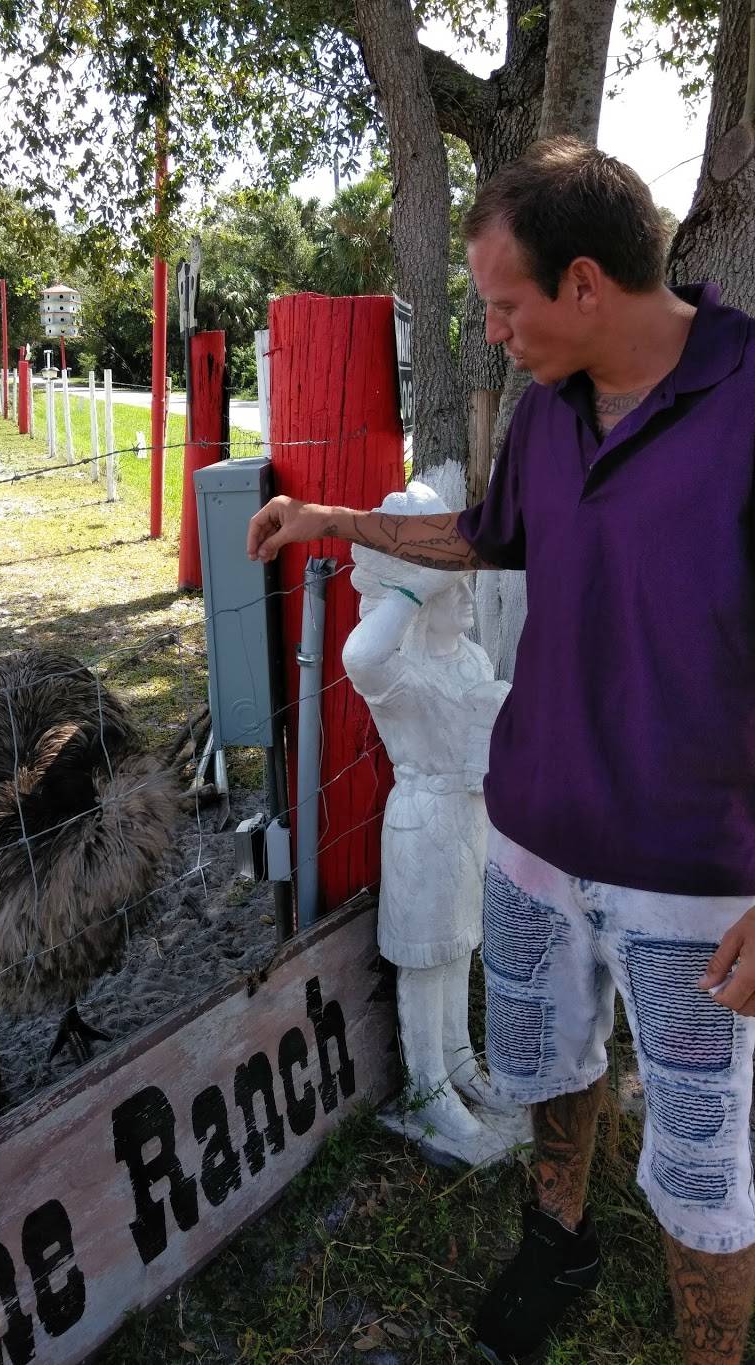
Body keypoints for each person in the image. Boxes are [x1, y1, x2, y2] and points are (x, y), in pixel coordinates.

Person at [246, 137, 755, 1365]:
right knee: (545, 1061)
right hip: (530, 834)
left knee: (700, 1151)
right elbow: (486, 538)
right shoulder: (543, 414)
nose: (493, 333)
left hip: (694, 871)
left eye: (503, 304)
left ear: (585, 284)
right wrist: (332, 520)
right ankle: (559, 1233)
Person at [343, 480, 520, 1166]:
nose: (467, 599)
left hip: (469, 816)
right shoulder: (400, 669)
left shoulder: (470, 659)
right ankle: (426, 1083)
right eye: (455, 587)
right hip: (420, 819)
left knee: (460, 943)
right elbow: (360, 655)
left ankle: (458, 1059)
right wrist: (415, 585)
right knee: (426, 957)